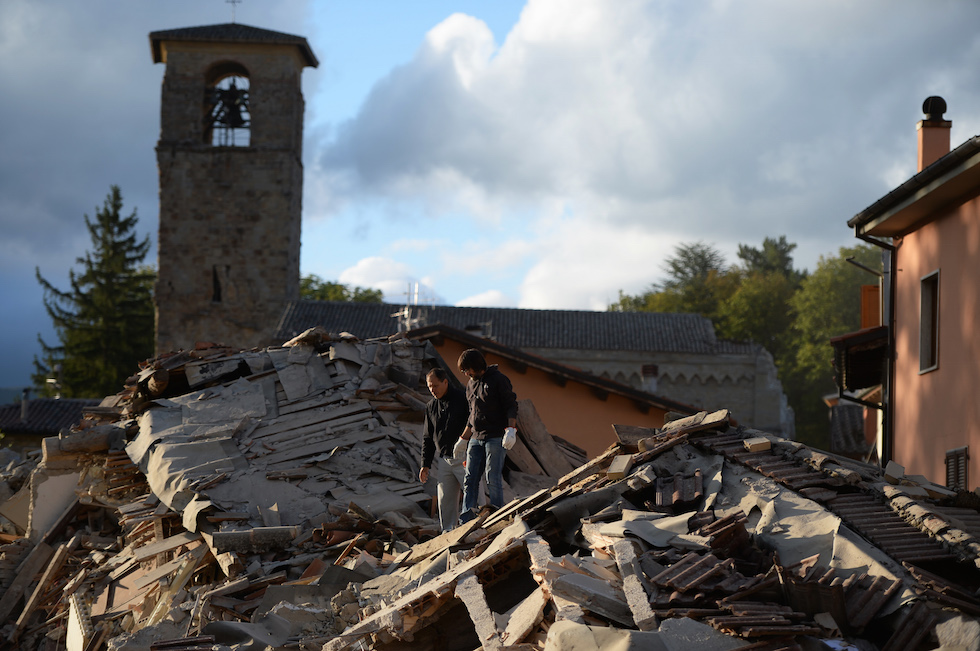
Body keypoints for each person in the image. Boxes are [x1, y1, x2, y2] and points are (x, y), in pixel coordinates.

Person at [455, 349, 518, 523]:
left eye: (467, 370)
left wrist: (511, 430)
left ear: (475, 365)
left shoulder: (499, 380)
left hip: (495, 436)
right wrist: (463, 439)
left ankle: (497, 516)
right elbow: (472, 415)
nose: (466, 374)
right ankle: (466, 518)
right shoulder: (470, 384)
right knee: (470, 478)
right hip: (476, 437)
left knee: (493, 477)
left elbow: (511, 405)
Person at [419, 368, 470, 531]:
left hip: (465, 456)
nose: (433, 390)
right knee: (445, 501)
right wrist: (425, 465)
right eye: (429, 387)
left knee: (473, 497)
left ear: (445, 382)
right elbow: (428, 437)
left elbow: (473, 424)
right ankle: (448, 533)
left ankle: (478, 528)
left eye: (435, 385)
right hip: (444, 459)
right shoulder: (431, 406)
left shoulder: (463, 399)